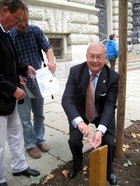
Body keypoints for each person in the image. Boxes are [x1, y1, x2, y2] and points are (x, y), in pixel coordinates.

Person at [62, 42, 120, 185]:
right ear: (86, 57)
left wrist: (100, 130)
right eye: (91, 56)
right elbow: (67, 99)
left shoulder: (113, 77)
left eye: (99, 57)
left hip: (101, 113)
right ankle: (77, 165)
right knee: (74, 141)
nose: (95, 60)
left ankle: (109, 170)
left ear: (106, 58)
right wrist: (79, 122)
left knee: (109, 143)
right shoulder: (75, 71)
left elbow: (110, 105)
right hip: (81, 112)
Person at [0, 0, 41, 185]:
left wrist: (24, 70)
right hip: (2, 98)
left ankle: (19, 167)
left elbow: (9, 63)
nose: (18, 24)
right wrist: (12, 88)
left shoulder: (5, 33)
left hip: (10, 99)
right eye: (16, 19)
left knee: (16, 134)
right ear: (4, 11)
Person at [10, 6, 56, 159]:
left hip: (38, 79)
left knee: (39, 113)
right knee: (24, 117)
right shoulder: (10, 35)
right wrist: (16, 76)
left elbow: (47, 47)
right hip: (21, 82)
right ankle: (30, 144)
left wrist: (51, 61)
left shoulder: (35, 31)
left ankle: (40, 139)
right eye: (20, 21)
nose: (23, 24)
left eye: (26, 20)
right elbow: (9, 61)